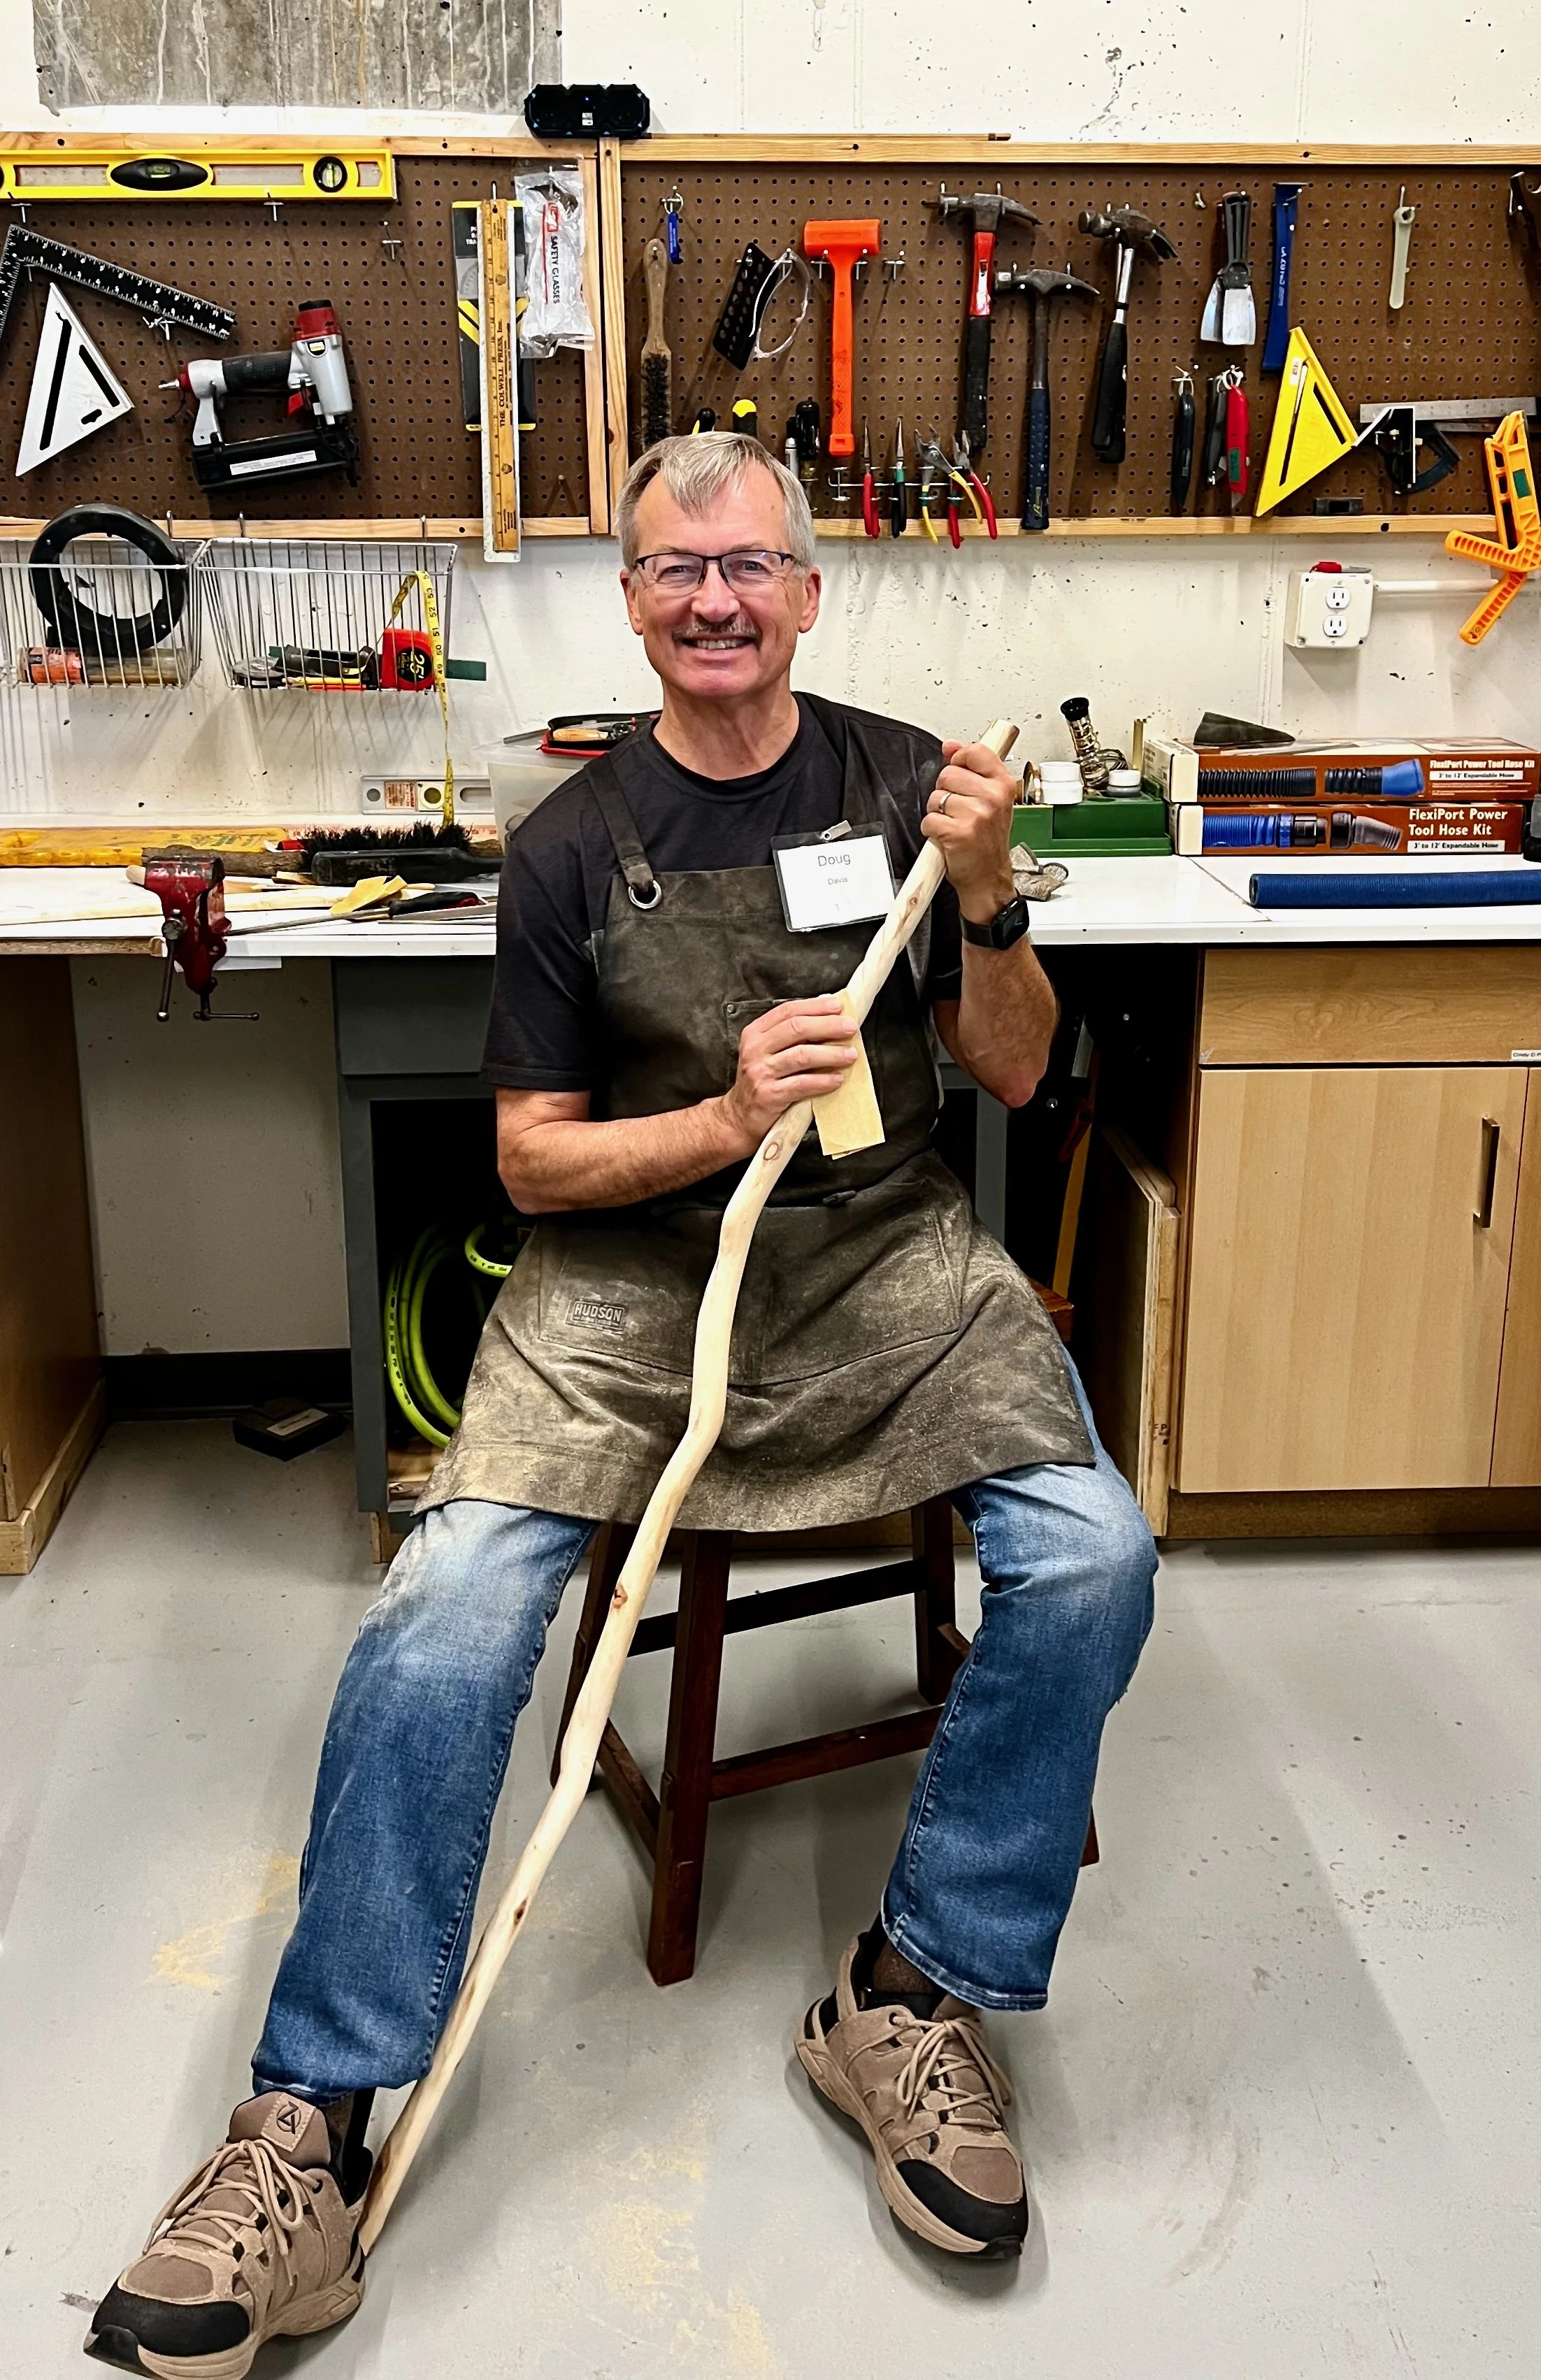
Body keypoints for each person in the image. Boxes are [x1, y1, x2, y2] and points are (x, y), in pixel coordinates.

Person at [87, 436, 1156, 2377]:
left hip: (889, 1261)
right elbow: (529, 1167)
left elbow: (1013, 1074)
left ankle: (908, 1985)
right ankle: (307, 2130)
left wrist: (989, 903)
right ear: (636, 604)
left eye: (753, 563)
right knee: (439, 1617)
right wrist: (723, 1117)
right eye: (679, 572)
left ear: (809, 589)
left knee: (1094, 1553)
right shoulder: (571, 847)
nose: (719, 599)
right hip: (629, 1286)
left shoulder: (911, 786)